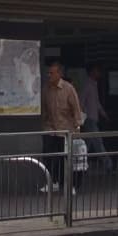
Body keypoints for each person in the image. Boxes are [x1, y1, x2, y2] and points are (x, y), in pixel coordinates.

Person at [41, 60, 84, 192]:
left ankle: (69, 184)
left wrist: (78, 126)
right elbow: (44, 108)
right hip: (50, 129)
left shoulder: (68, 89)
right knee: (48, 156)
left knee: (65, 159)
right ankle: (52, 182)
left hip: (65, 130)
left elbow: (76, 108)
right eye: (48, 73)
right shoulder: (46, 89)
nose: (49, 75)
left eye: (52, 73)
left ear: (59, 73)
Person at [78, 63, 111, 171]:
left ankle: (80, 163)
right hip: (89, 119)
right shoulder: (88, 85)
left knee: (88, 144)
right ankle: (108, 164)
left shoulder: (94, 84)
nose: (99, 73)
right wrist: (81, 118)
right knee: (98, 142)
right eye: (97, 71)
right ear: (92, 72)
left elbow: (96, 103)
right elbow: (81, 102)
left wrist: (103, 114)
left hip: (93, 118)